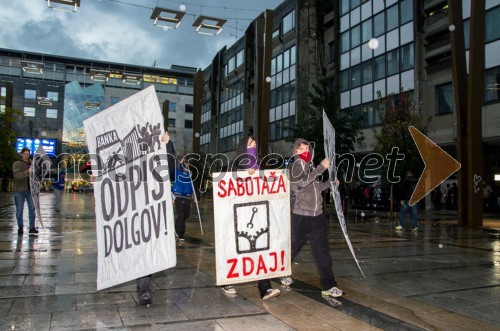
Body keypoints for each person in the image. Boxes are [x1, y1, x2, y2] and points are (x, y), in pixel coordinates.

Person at [280, 138, 344, 299]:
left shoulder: (311, 167)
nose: (304, 151)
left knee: (322, 253)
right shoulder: (295, 167)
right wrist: (322, 168)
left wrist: (330, 183)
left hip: (317, 216)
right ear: (295, 152)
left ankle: (329, 285)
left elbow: (315, 188)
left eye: (306, 149)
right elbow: (302, 183)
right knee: (293, 248)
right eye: (300, 149)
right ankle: (283, 271)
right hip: (300, 217)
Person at [220, 135, 280, 300]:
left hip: (256, 215)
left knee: (259, 250)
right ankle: (226, 281)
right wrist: (244, 175)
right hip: (238, 216)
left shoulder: (259, 167)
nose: (253, 146)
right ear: (243, 148)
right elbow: (228, 186)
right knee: (237, 250)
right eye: (250, 143)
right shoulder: (235, 165)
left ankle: (265, 288)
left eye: (255, 143)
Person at [136, 131, 171, 306]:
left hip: (154, 207)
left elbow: (170, 169)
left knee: (149, 247)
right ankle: (144, 287)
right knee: (141, 247)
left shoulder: (161, 144)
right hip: (135, 207)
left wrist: (167, 145)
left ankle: (144, 286)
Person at [13, 147, 38, 236]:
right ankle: (20, 227)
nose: (26, 156)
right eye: (25, 154)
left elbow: (36, 176)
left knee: (32, 208)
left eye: (28, 154)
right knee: (19, 210)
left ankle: (32, 227)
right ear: (21, 154)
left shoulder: (32, 163)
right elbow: (17, 176)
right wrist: (27, 171)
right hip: (19, 191)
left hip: (30, 191)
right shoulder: (17, 164)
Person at [172, 155, 194, 243]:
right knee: (181, 215)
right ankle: (180, 234)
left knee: (186, 214)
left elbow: (190, 184)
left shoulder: (189, 174)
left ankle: (177, 225)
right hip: (178, 195)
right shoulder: (177, 171)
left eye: (187, 162)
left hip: (187, 196)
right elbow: (178, 167)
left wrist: (193, 195)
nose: (187, 164)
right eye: (185, 162)